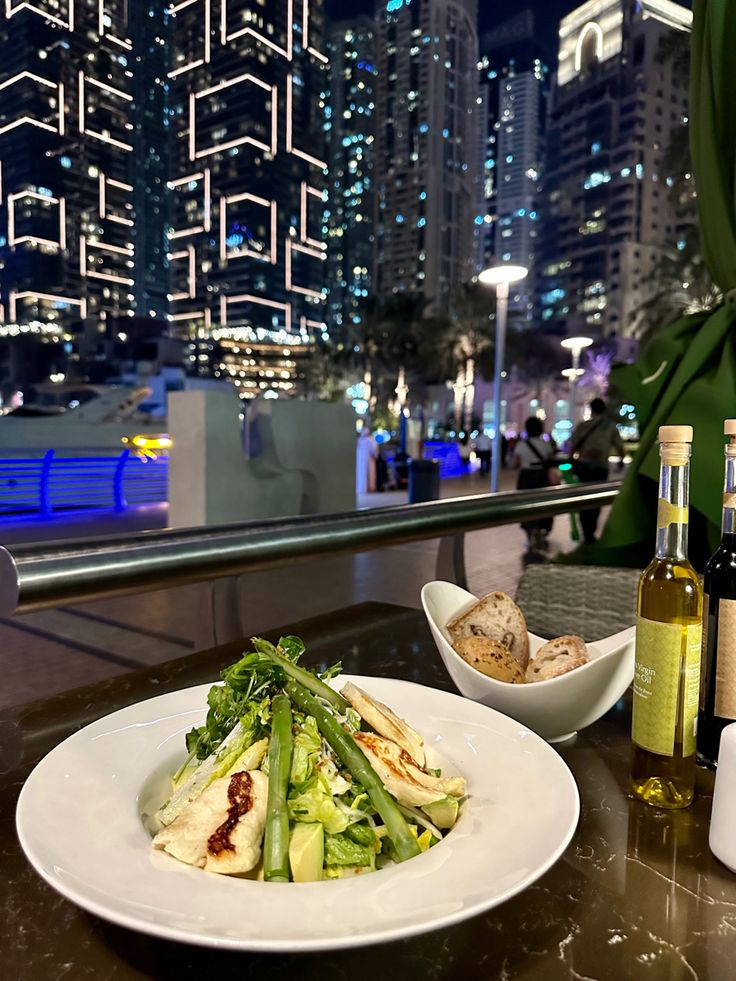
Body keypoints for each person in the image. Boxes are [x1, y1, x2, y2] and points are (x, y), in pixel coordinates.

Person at [570, 397, 626, 544]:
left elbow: (572, 447)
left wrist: (571, 463)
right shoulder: (610, 426)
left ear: (591, 409)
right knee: (596, 500)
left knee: (583, 499)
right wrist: (620, 461)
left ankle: (586, 530)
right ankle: (591, 531)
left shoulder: (583, 426)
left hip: (584, 467)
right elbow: (620, 447)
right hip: (601, 468)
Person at [511, 416, 556, 554]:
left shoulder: (521, 445)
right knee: (543, 503)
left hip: (525, 477)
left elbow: (515, 464)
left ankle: (529, 532)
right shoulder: (545, 444)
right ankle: (541, 530)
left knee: (524, 504)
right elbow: (550, 462)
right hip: (542, 477)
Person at [356, 426, 378, 495]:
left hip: (363, 460)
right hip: (366, 460)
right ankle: (366, 488)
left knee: (364, 474)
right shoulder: (369, 440)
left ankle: (364, 488)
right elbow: (374, 450)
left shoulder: (360, 440)